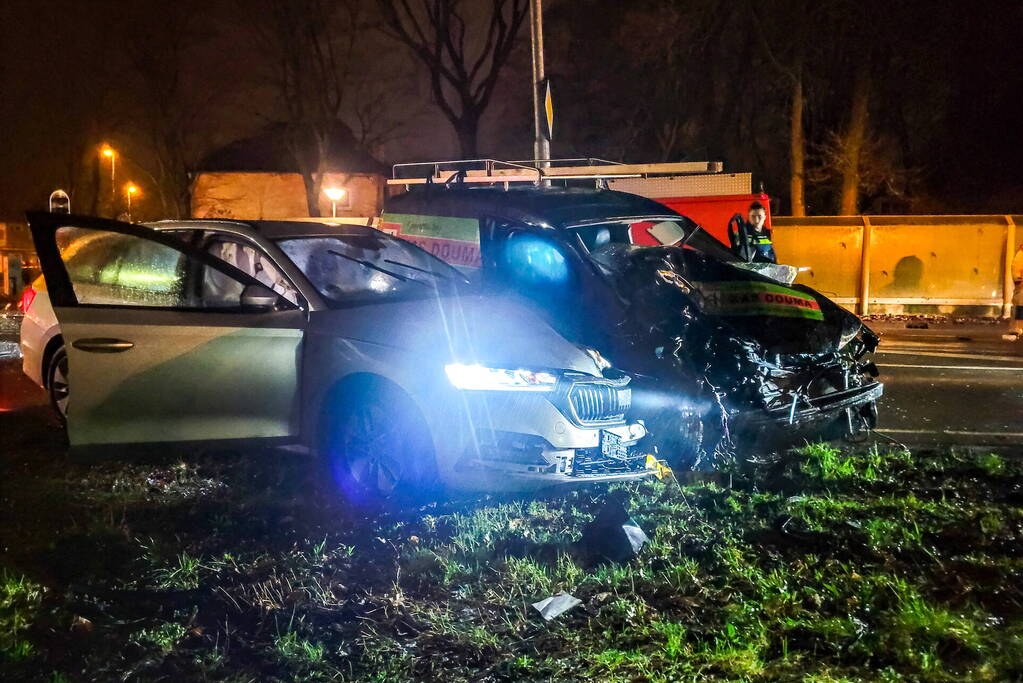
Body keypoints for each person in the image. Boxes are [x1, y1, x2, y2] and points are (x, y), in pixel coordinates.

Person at [1011, 242, 1023, 340]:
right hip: (1022, 288)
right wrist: (1019, 281)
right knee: (1020, 305)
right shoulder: (1020, 256)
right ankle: (1018, 327)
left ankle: (1018, 327)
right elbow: (1016, 271)